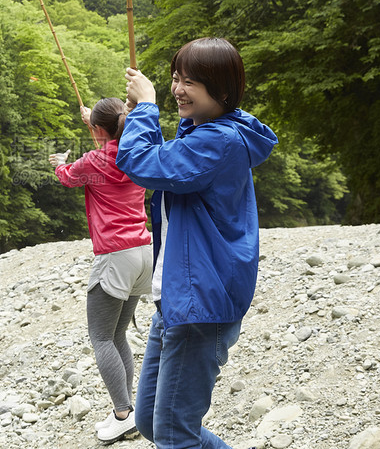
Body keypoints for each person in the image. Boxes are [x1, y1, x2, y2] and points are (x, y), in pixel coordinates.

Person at [116, 37, 278, 449]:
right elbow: (157, 159)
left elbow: (140, 162)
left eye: (190, 81)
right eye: (174, 78)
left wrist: (146, 106)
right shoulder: (203, 133)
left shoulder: (218, 141)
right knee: (155, 423)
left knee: (173, 432)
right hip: (178, 299)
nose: (177, 89)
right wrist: (143, 112)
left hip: (199, 304)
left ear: (222, 91)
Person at [48, 97, 153, 445]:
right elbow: (114, 143)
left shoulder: (94, 159)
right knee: (118, 333)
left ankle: (123, 414)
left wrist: (58, 162)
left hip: (116, 256)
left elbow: (67, 177)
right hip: (144, 252)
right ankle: (129, 408)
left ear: (97, 130)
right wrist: (94, 123)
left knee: (102, 337)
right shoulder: (136, 151)